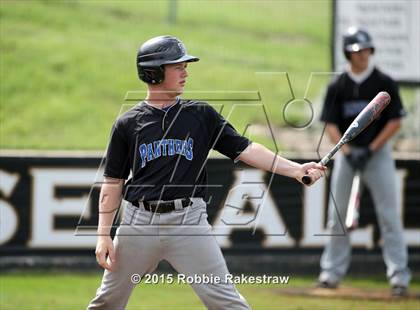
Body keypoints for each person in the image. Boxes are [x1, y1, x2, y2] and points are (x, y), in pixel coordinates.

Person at [87, 35, 325, 310]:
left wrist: (296, 169)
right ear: (154, 71)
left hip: (188, 223)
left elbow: (246, 149)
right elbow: (113, 182)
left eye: (185, 66)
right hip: (138, 225)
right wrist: (103, 235)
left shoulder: (200, 115)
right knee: (106, 303)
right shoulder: (127, 124)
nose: (185, 71)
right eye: (177, 66)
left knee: (228, 304)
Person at [317, 27, 411, 296]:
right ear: (348, 53)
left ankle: (399, 278)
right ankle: (330, 274)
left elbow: (394, 121)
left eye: (367, 49)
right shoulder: (339, 85)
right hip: (348, 156)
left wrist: (370, 149)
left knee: (389, 216)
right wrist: (348, 153)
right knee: (337, 217)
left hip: (377, 155)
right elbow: (331, 124)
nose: (363, 54)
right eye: (358, 50)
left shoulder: (384, 82)